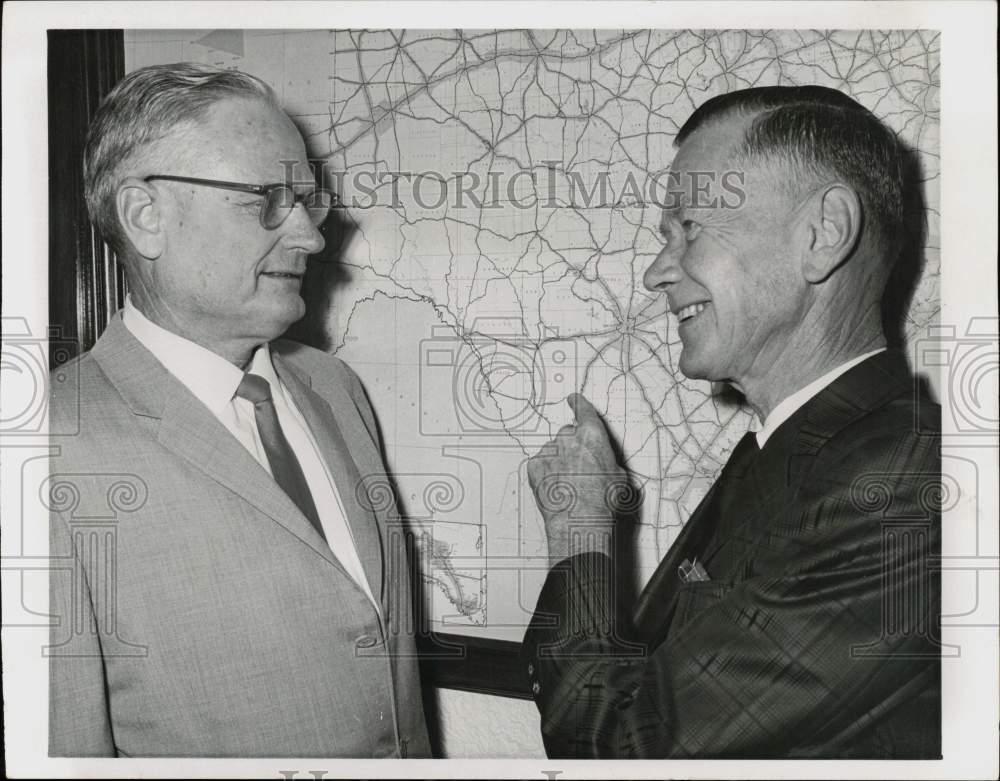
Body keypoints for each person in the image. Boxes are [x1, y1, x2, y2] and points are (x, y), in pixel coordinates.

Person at [523, 85, 941, 758]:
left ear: (823, 234)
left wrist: (579, 530)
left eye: (690, 228)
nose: (659, 272)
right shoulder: (797, 448)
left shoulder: (901, 483)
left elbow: (629, 747)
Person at [48, 63, 430, 757]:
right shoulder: (48, 445)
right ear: (146, 217)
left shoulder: (333, 387)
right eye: (267, 201)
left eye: (307, 202)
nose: (312, 237)